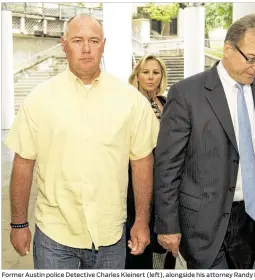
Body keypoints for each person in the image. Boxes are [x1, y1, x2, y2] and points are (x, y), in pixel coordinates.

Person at [5, 14, 157, 269]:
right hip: (55, 235)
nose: (86, 48)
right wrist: (18, 223)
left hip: (111, 237)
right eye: (77, 40)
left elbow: (142, 162)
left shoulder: (131, 101)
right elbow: (23, 163)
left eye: (93, 40)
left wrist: (141, 220)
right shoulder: (39, 100)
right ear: (64, 45)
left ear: (103, 45)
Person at [153, 14, 255, 269]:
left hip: (252, 220)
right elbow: (167, 166)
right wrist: (167, 224)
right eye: (252, 58)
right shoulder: (187, 94)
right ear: (228, 48)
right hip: (202, 222)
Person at [126, 54, 176, 269]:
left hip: (166, 180)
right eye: (145, 72)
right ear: (137, 74)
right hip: (136, 177)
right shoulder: (129, 103)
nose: (150, 77)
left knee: (164, 237)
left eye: (156, 72)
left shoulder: (166, 102)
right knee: (140, 230)